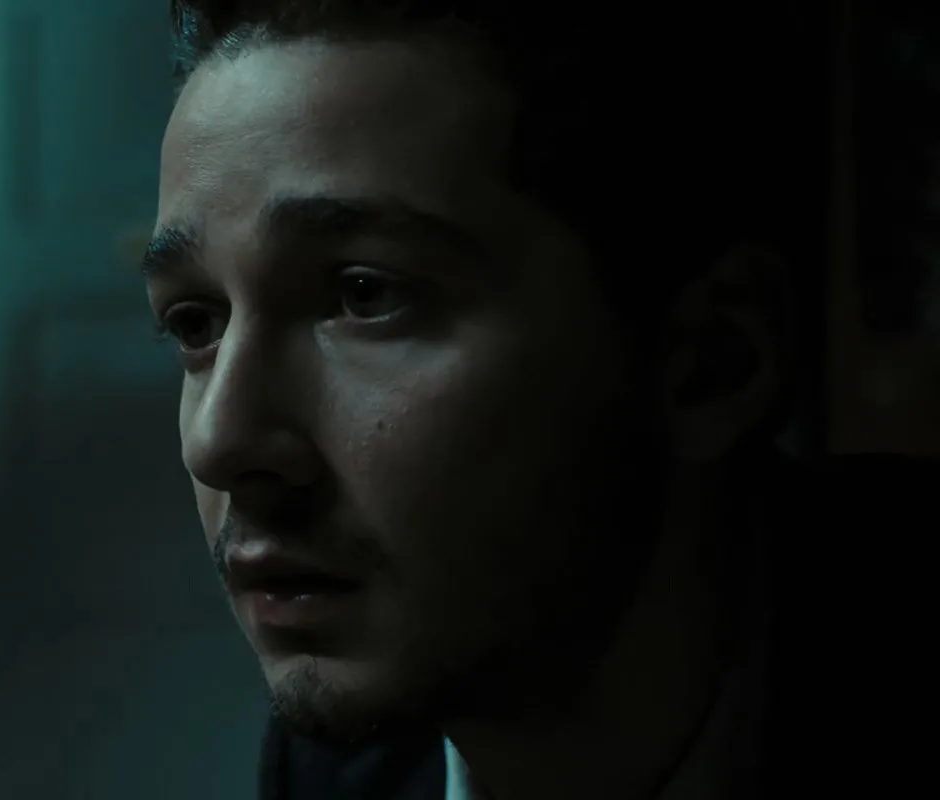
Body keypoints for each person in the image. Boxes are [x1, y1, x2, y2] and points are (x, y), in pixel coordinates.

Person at [145, 1, 936, 798]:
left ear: (712, 364)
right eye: (195, 321)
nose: (219, 440)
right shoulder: (340, 766)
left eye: (365, 294)